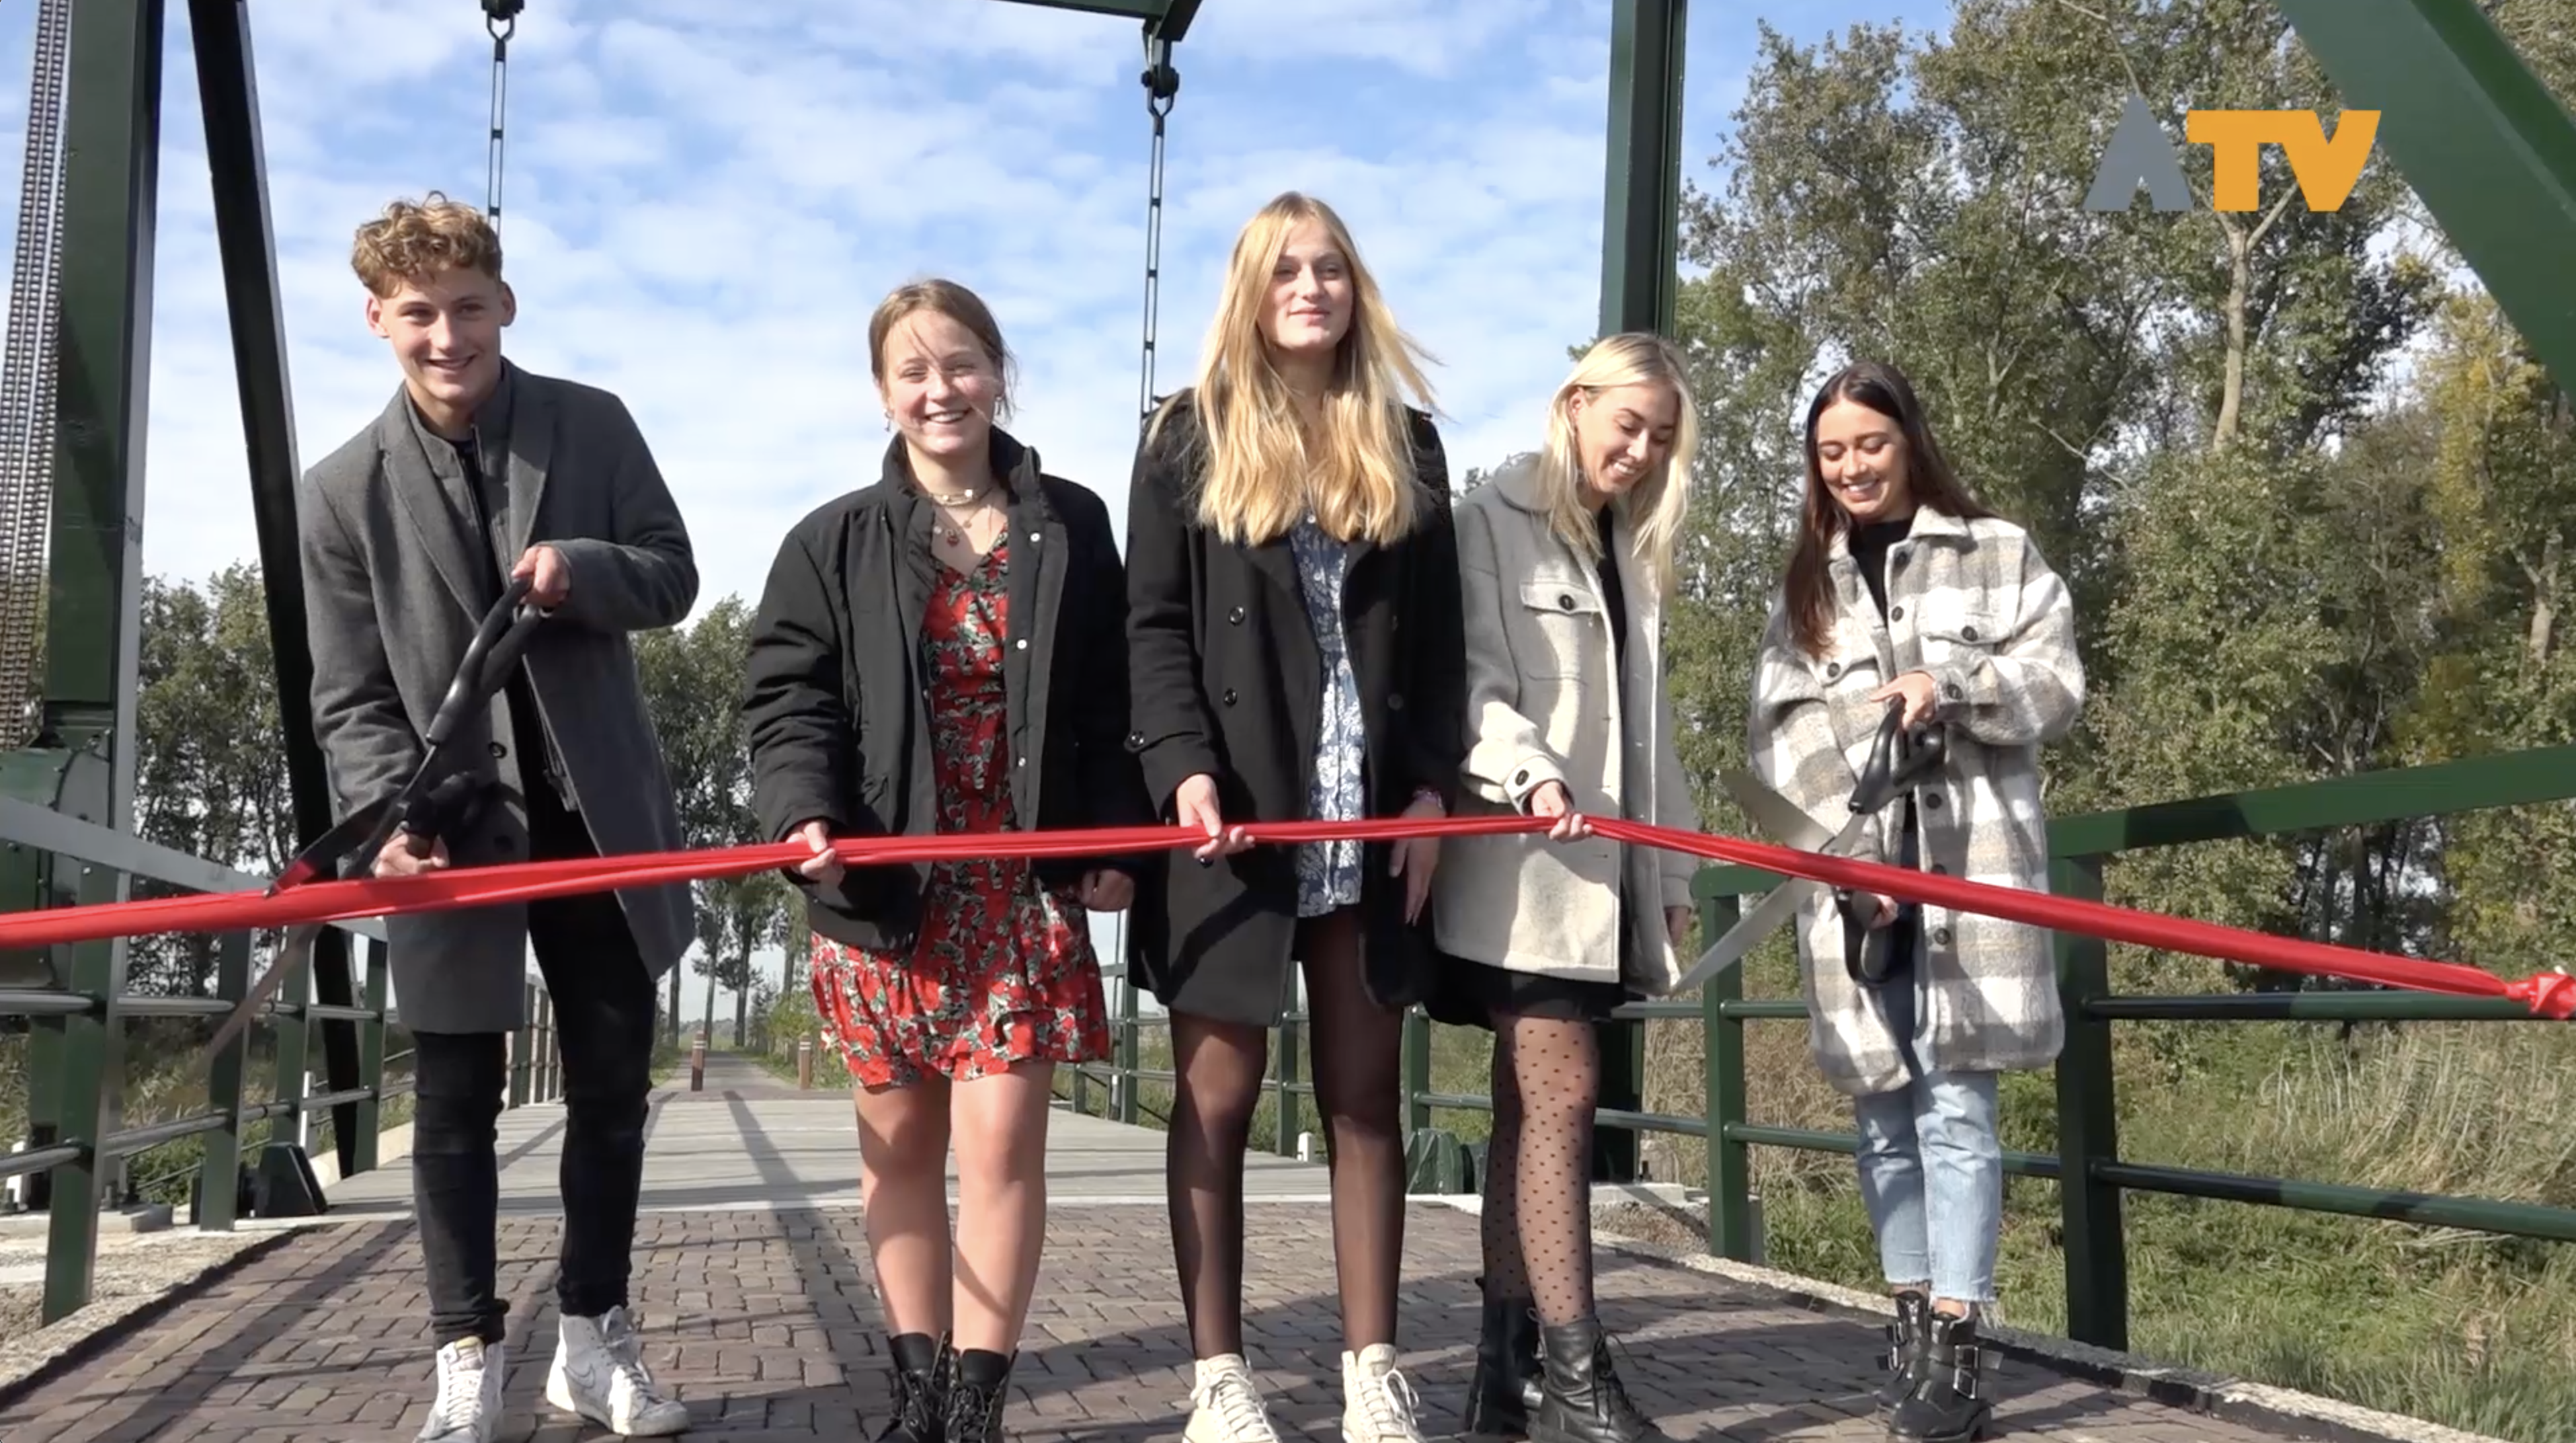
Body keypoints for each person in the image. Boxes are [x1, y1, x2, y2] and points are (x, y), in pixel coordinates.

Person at [298, 193, 698, 1441]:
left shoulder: (595, 423)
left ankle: (592, 1333)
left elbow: (675, 573)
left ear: (505, 305)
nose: (445, 335)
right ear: (377, 319)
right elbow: (350, 696)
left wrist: (584, 570)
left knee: (613, 1090)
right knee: (456, 1102)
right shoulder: (334, 494)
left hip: (596, 822)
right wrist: (387, 827)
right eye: (417, 313)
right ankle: (463, 1354)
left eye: (468, 308)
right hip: (450, 832)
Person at [742, 277, 1148, 1443]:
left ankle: (976, 1406)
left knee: (1003, 1148)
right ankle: (916, 1392)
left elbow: (1110, 695)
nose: (940, 390)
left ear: (998, 373)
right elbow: (789, 703)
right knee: (900, 1153)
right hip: (884, 893)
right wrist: (802, 816)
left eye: (961, 364)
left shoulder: (1070, 523)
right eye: (913, 371)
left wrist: (1117, 835)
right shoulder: (828, 541)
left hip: (1016, 895)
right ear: (883, 393)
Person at [1123, 190, 1465, 1443]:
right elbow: (1153, 627)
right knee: (1216, 1091)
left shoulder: (1409, 445)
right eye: (1285, 271)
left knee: (1365, 1096)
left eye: (1329, 269)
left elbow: (1438, 648)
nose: (1309, 288)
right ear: (1252, 293)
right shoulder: (1186, 440)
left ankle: (1373, 1366)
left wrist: (1432, 790)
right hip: (1240, 817)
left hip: (1367, 823)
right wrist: (1178, 770)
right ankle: (1220, 1375)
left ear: (1353, 289)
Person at [1747, 360, 2083, 1443]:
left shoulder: (2000, 551)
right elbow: (1775, 734)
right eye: (1832, 451)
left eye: (1870, 446)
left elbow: (2058, 683)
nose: (1851, 467)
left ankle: (1957, 1340)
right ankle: (1905, 1315)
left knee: (1958, 1106)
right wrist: (1847, 849)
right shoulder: (1806, 586)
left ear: (1909, 443)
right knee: (1883, 1113)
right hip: (1861, 889)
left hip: (1970, 876)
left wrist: (1958, 687)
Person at [1427, 332, 1701, 1443]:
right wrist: (1527, 769)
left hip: (1610, 871)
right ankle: (1581, 1375)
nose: (1638, 451)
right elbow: (1477, 684)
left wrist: (1672, 867)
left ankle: (1503, 1373)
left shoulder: (1632, 552)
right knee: (1565, 1095)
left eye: (1661, 438)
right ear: (1574, 403)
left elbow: (1656, 735)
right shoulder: (1486, 521)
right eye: (1627, 423)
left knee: (1523, 1110)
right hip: (1523, 865)